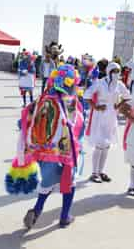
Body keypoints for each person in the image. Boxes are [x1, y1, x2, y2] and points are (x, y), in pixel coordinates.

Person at [18, 64, 84, 229]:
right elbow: (78, 127)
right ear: (70, 84)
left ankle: (37, 209)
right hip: (65, 152)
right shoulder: (70, 102)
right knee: (69, 182)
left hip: (42, 152)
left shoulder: (42, 99)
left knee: (47, 182)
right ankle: (64, 216)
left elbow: (23, 122)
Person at [83, 62, 130, 183]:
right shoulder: (99, 82)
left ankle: (101, 171)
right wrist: (96, 107)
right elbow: (86, 95)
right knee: (99, 145)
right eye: (114, 71)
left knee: (106, 146)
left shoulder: (119, 84)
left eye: (118, 71)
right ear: (109, 71)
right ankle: (94, 173)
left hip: (112, 115)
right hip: (100, 115)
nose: (116, 74)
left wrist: (118, 105)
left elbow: (127, 96)